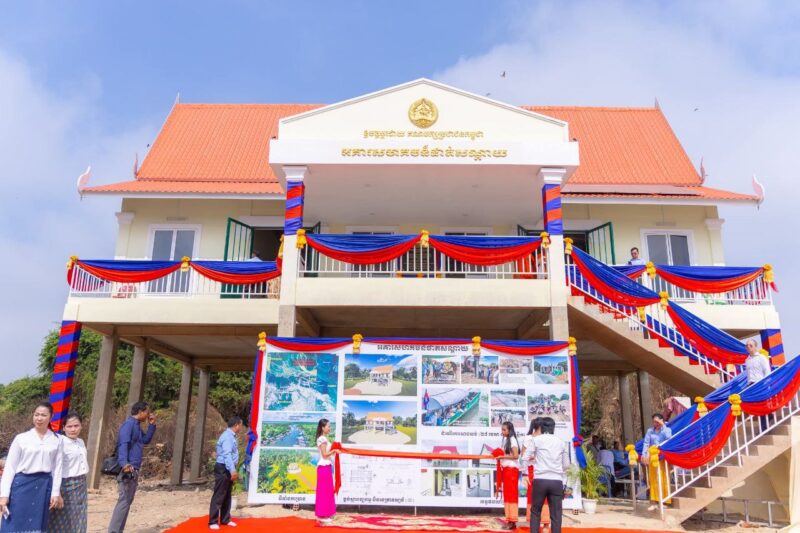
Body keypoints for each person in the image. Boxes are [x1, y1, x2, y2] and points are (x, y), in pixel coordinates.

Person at [0, 401, 64, 533]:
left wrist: (55, 492)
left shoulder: (57, 440)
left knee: (37, 525)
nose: (39, 418)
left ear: (51, 417)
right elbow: (10, 468)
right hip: (21, 487)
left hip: (43, 487)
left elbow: (57, 469)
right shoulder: (21, 438)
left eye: (43, 415)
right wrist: (4, 494)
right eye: (36, 414)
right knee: (14, 524)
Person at [108, 401, 156, 533]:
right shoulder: (128, 425)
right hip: (127, 469)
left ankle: (117, 530)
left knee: (127, 501)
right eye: (147, 412)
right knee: (124, 501)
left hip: (133, 468)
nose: (148, 414)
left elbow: (145, 440)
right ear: (140, 412)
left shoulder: (136, 426)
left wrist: (151, 425)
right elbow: (123, 445)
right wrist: (124, 464)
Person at [521, 417, 569, 533]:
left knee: (535, 511)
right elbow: (566, 464)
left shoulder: (536, 440)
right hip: (556, 481)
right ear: (553, 428)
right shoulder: (561, 442)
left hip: (540, 480)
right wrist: (560, 473)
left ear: (541, 427)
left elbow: (524, 457)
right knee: (556, 514)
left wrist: (525, 473)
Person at [50, 414, 89, 532]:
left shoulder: (80, 442)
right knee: (63, 518)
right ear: (63, 428)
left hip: (81, 484)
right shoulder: (59, 442)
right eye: (69, 426)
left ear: (81, 426)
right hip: (65, 486)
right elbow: (54, 468)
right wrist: (56, 492)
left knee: (80, 516)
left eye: (76, 426)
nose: (73, 429)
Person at [209, 416, 243, 530]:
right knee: (219, 494)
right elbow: (227, 455)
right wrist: (232, 470)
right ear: (236, 425)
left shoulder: (231, 436)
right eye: (241, 425)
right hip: (224, 468)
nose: (241, 427)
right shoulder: (228, 436)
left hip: (227, 468)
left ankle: (225, 519)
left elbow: (222, 451)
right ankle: (213, 521)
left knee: (227, 494)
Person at [641, 413, 672, 510]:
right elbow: (646, 443)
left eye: (657, 421)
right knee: (653, 479)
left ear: (662, 420)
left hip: (662, 457)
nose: (656, 423)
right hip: (652, 456)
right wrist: (644, 454)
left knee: (663, 478)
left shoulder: (667, 430)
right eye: (654, 422)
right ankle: (654, 501)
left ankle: (665, 501)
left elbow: (669, 438)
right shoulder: (650, 431)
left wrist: (663, 425)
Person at [495, 421, 520, 530]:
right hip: (507, 470)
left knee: (511, 495)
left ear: (509, 430)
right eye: (502, 429)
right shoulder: (506, 440)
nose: (502, 431)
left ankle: (512, 521)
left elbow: (516, 456)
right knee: (508, 495)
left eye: (504, 430)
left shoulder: (513, 440)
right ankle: (509, 520)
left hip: (511, 471)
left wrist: (502, 457)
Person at [744, 339, 772, 430]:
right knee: (753, 405)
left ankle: (764, 425)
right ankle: (768, 416)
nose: (748, 347)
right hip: (750, 384)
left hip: (760, 384)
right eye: (747, 345)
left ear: (755, 346)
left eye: (750, 345)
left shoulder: (761, 358)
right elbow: (748, 374)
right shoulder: (747, 360)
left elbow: (767, 371)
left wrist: (766, 385)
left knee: (761, 405)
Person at [315, 418, 338, 525]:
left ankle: (326, 513)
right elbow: (324, 455)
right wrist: (334, 451)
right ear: (323, 427)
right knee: (324, 492)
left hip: (326, 467)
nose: (330, 428)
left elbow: (327, 454)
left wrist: (334, 450)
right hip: (323, 467)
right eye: (328, 426)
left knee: (327, 491)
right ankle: (321, 515)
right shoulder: (322, 439)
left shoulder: (324, 438)